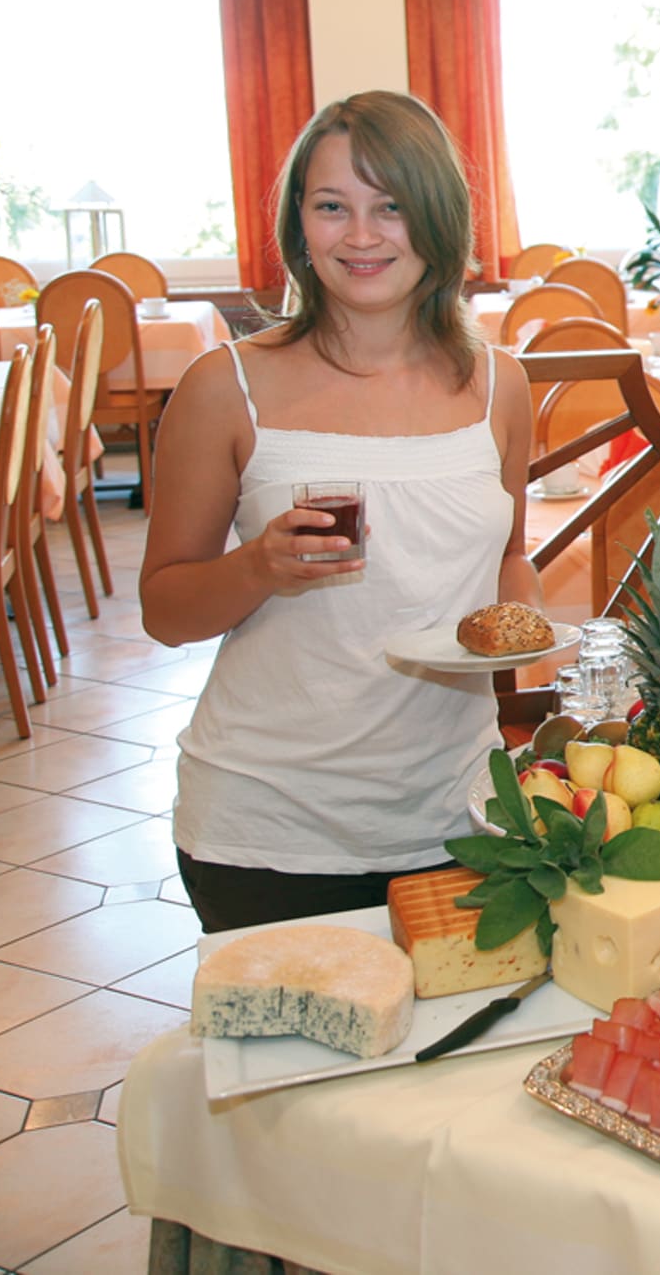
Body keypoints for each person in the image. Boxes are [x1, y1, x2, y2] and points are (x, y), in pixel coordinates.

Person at [142, 92, 543, 932]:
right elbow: (166, 611)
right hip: (268, 828)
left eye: (390, 207)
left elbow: (509, 554)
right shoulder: (224, 386)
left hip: (461, 813)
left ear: (439, 219)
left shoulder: (500, 385)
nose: (361, 237)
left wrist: (525, 624)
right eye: (332, 206)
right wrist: (258, 566)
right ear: (299, 222)